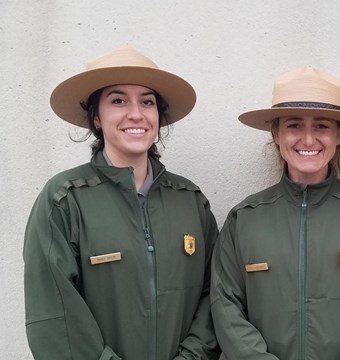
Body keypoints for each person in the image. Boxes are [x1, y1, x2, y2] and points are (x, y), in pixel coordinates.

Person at [23, 45, 219, 359]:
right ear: (96, 118)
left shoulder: (190, 200)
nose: (136, 114)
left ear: (158, 116)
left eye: (147, 101)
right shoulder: (64, 199)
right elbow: (54, 315)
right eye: (118, 100)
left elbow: (216, 294)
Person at [210, 67, 340, 360]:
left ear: (339, 134)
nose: (308, 139)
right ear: (276, 134)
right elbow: (225, 305)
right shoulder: (244, 219)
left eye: (321, 126)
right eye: (294, 125)